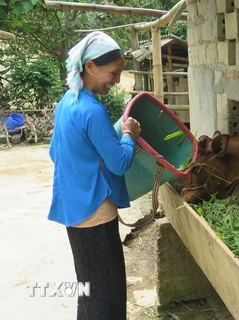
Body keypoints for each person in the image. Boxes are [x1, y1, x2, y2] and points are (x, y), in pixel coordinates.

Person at [48, 31, 141, 320]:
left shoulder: (67, 102)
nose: (115, 80)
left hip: (73, 209)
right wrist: (128, 135)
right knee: (108, 295)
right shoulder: (92, 110)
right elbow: (119, 163)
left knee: (87, 287)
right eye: (113, 73)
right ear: (90, 67)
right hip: (96, 212)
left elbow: (55, 152)